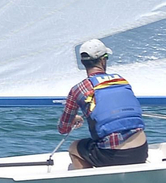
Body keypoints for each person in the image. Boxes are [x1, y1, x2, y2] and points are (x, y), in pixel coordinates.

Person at [58, 38, 148, 169]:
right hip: (141, 151)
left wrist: (73, 120)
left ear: (83, 62)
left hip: (110, 155)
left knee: (74, 147)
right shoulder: (121, 80)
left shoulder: (77, 89)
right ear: (103, 60)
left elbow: (63, 129)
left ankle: (91, 180)